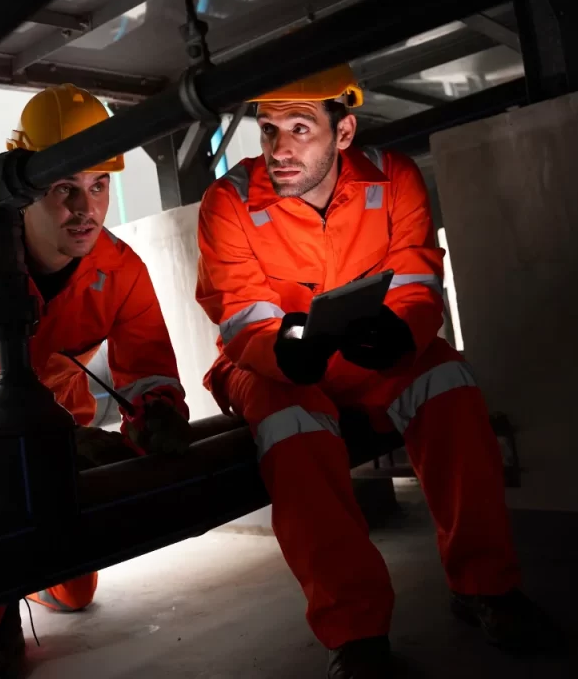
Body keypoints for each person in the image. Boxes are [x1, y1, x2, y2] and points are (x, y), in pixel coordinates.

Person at [194, 65, 553, 677]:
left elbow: (416, 279)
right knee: (292, 427)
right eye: (268, 129)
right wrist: (282, 349)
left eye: (299, 129)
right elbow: (240, 313)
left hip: (368, 359)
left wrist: (403, 331)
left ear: (344, 132)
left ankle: (486, 587)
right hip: (267, 364)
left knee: (447, 382)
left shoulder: (394, 177)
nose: (278, 149)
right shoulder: (227, 201)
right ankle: (357, 633)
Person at [0, 83, 192, 679]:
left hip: (59, 426)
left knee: (76, 595)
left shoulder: (120, 270)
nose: (86, 209)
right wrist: (42, 440)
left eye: (99, 186)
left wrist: (158, 414)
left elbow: (149, 369)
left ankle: (32, 575)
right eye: (64, 188)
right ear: (24, 185)